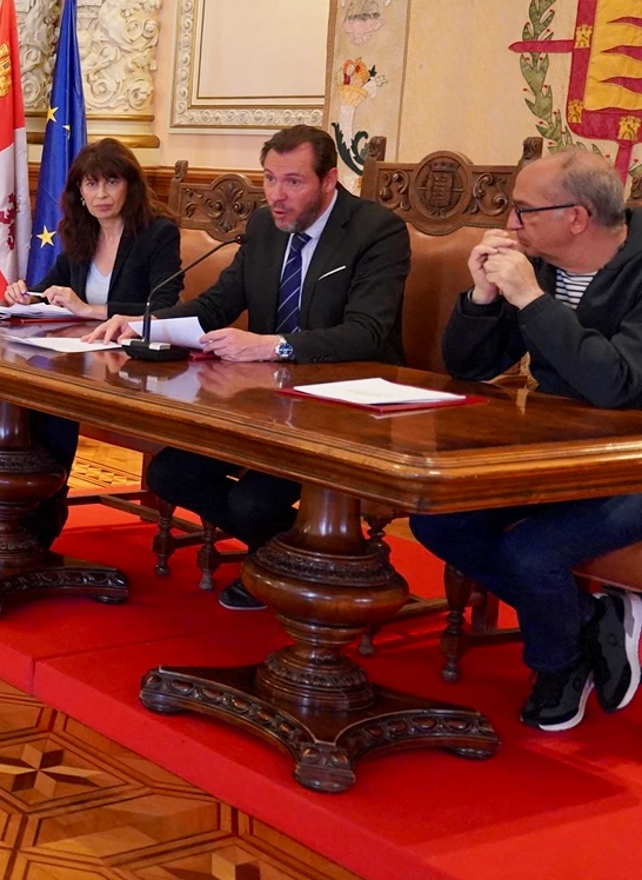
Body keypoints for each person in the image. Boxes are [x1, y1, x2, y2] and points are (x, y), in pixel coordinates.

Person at [85, 124, 410, 609]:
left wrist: (273, 345)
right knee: (170, 474)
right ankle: (285, 560)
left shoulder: (376, 231)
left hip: (346, 401)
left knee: (253, 500)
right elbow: (218, 303)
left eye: (293, 182)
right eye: (269, 179)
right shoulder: (264, 225)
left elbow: (368, 333)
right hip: (264, 398)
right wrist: (142, 323)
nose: (277, 196)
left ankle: (289, 567)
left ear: (328, 180)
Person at [410, 149, 642, 732]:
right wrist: (482, 299)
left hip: (632, 466)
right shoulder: (543, 265)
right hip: (560, 452)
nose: (511, 225)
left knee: (530, 553)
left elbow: (616, 385)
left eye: (523, 211)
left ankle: (559, 663)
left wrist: (532, 302)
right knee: (438, 519)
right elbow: (467, 367)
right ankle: (589, 620)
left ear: (578, 217)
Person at [3, 138, 181, 545]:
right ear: (79, 193)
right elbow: (48, 290)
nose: (101, 195)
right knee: (30, 394)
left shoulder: (158, 233)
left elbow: (163, 306)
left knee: (55, 401)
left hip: (134, 366)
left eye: (111, 182)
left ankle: (43, 513)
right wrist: (23, 295)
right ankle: (22, 505)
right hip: (85, 357)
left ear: (130, 186)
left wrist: (87, 310)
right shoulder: (80, 233)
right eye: (91, 184)